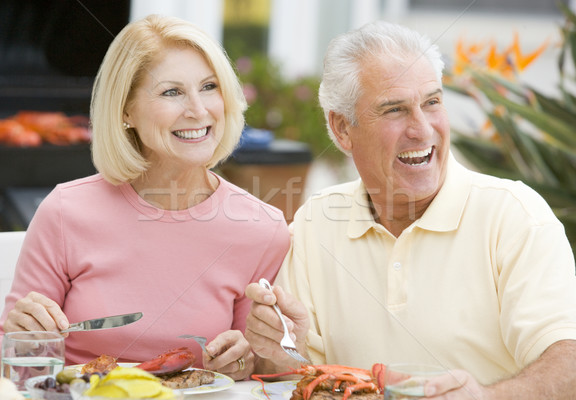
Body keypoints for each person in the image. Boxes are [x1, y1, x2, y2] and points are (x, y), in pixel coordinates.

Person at [245, 21, 576, 398]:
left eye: (432, 102)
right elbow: (296, 376)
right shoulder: (314, 223)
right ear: (342, 129)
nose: (422, 129)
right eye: (395, 110)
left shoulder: (514, 214)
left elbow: (568, 362)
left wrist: (488, 397)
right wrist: (285, 350)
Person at [0, 14, 289, 381]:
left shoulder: (261, 229)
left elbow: (257, 369)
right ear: (126, 110)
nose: (198, 110)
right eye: (171, 92)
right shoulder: (66, 211)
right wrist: (19, 342)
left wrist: (246, 360)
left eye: (209, 86)